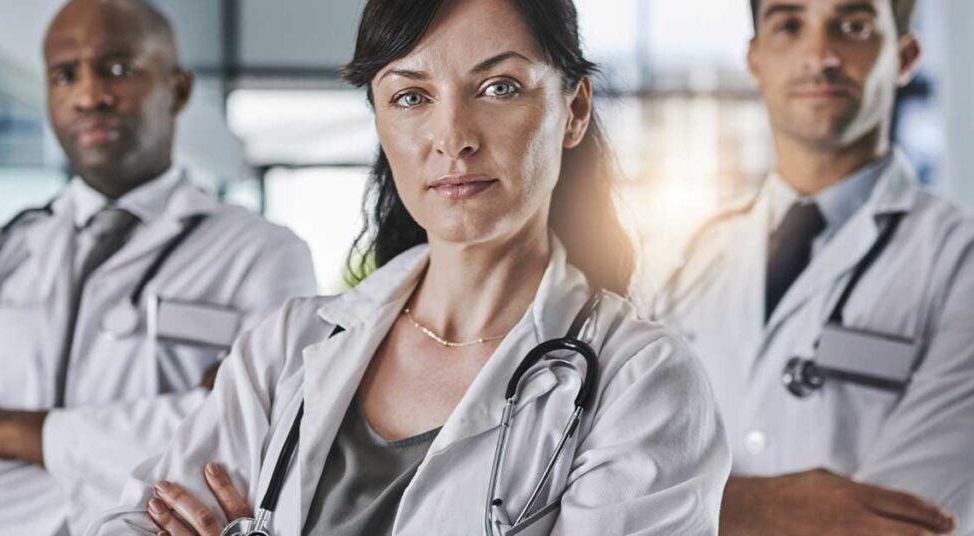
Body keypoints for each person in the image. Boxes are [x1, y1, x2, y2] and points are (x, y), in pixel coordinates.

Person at [88, 0, 731, 534]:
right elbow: (134, 520)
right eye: (411, 96)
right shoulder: (290, 345)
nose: (453, 136)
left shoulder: (642, 382)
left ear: (575, 110)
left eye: (498, 87)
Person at [0, 0, 316, 534]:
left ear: (179, 89)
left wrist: (16, 433)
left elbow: (256, 442)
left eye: (118, 69)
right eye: (64, 74)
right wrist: (144, 456)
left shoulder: (263, 255)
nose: (90, 95)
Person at [653, 0, 973, 534]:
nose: (819, 56)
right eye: (789, 25)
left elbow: (899, 522)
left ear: (904, 55)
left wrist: (693, 505)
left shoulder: (959, 261)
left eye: (853, 27)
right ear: (755, 60)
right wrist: (766, 509)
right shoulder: (683, 259)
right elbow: (607, 480)